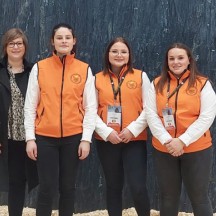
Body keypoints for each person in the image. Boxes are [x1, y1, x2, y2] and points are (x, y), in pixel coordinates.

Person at [24, 23, 97, 216]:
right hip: (44, 137)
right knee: (46, 188)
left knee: (68, 188)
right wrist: (30, 138)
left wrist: (86, 139)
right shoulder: (40, 68)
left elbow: (91, 108)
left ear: (74, 41)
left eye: (67, 38)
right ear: (52, 42)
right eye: (59, 38)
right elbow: (30, 106)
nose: (63, 41)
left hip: (73, 138)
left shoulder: (84, 69)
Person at [146, 42, 216, 216]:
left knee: (199, 197)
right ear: (167, 61)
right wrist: (167, 141)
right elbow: (151, 114)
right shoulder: (155, 84)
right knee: (168, 197)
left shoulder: (203, 84)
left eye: (180, 58)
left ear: (189, 60)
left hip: (197, 148)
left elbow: (206, 117)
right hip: (164, 148)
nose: (176, 62)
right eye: (171, 58)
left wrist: (182, 141)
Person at [94, 37, 150, 216]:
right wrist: (107, 132)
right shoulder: (96, 78)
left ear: (129, 55)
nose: (119, 55)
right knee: (113, 186)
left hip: (134, 140)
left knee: (138, 187)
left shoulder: (141, 76)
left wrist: (132, 130)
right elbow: (89, 111)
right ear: (108, 54)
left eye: (123, 51)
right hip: (107, 140)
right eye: (115, 51)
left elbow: (150, 109)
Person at [0, 28, 38, 216]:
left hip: (28, 138)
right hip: (4, 137)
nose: (15, 47)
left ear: (25, 47)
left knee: (19, 181)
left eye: (19, 43)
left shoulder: (35, 71)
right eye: (11, 43)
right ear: (5, 47)